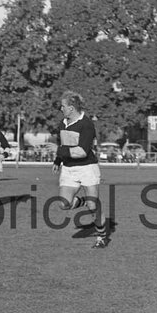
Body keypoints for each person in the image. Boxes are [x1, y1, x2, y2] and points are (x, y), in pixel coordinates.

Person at [52, 91, 111, 248]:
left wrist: (58, 151)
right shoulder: (62, 123)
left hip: (87, 168)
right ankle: (85, 201)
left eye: (62, 106)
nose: (60, 108)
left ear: (71, 108)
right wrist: (58, 160)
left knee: (93, 207)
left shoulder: (86, 124)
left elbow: (82, 152)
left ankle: (102, 237)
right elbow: (63, 144)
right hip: (69, 169)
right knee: (63, 204)